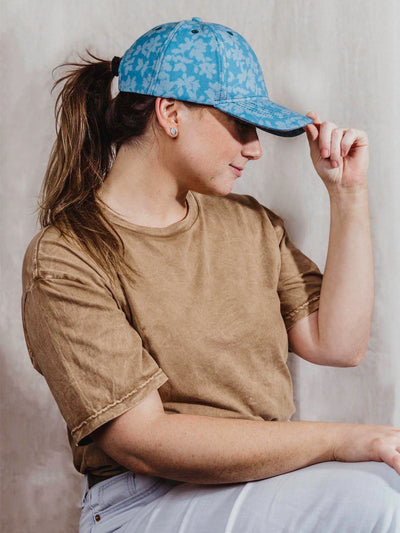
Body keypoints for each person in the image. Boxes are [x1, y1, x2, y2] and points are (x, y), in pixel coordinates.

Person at [21, 16, 399, 533]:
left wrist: (347, 193)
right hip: (143, 502)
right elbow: (143, 440)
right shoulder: (67, 257)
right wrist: (344, 440)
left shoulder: (249, 222)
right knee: (380, 499)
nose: (255, 147)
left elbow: (340, 344)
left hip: (266, 482)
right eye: (240, 124)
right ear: (170, 112)